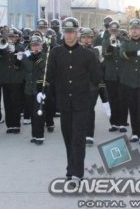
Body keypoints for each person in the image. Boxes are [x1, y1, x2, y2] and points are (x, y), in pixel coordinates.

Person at [43, 17, 101, 184]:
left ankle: (77, 172)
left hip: (82, 102)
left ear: (77, 33)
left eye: (72, 32)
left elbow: (96, 78)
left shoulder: (87, 54)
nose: (69, 35)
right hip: (64, 102)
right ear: (63, 33)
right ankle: (71, 169)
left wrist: (97, 95)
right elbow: (50, 76)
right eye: (67, 32)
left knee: (78, 138)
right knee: (68, 137)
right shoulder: (56, 52)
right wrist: (44, 92)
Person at [79, 27, 111, 146]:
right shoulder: (74, 51)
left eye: (89, 38)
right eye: (84, 38)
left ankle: (89, 135)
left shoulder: (96, 51)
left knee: (89, 110)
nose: (86, 40)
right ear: (80, 39)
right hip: (78, 86)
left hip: (92, 86)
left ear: (92, 39)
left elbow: (98, 70)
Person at [101, 21, 129, 133]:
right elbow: (105, 55)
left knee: (123, 99)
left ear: (119, 30)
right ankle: (114, 123)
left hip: (122, 75)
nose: (113, 32)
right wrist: (111, 45)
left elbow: (126, 56)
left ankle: (122, 123)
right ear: (109, 30)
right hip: (111, 75)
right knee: (112, 100)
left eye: (115, 30)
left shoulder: (124, 40)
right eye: (111, 30)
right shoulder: (105, 41)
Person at [0, 30, 26, 134]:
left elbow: (21, 64)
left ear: (17, 37)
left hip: (16, 79)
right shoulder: (3, 47)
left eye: (13, 36)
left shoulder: (20, 47)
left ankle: (16, 124)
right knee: (7, 102)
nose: (11, 38)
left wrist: (15, 52)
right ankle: (9, 125)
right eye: (9, 36)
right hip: (5, 79)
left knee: (16, 102)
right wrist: (2, 48)